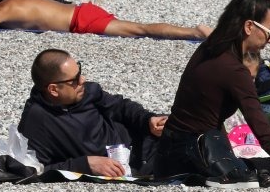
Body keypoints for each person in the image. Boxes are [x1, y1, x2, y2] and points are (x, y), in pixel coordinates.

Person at [143, 0, 270, 192]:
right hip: (197, 159)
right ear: (249, 26)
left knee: (266, 168)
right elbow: (264, 132)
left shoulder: (209, 49)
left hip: (171, 156)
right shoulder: (234, 69)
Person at [18, 49, 166, 176]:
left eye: (80, 71)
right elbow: (34, 170)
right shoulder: (38, 120)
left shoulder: (86, 91)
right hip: (130, 168)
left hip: (144, 140)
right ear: (54, 90)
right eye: (74, 79)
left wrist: (148, 119)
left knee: (183, 127)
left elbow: (120, 106)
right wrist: (85, 165)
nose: (83, 80)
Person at [0, 0, 208, 41]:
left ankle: (194, 32)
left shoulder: (1, 11)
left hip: (80, 21)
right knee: (138, 28)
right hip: (80, 10)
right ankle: (193, 31)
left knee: (141, 30)